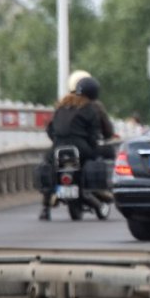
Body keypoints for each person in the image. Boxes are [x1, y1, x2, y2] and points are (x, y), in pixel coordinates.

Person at [39, 76, 116, 220]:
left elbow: (50, 130)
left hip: (57, 149)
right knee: (109, 152)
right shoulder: (91, 108)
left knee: (48, 164)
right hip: (81, 149)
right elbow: (94, 136)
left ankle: (45, 207)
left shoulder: (61, 106)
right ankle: (102, 190)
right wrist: (94, 145)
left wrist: (58, 142)